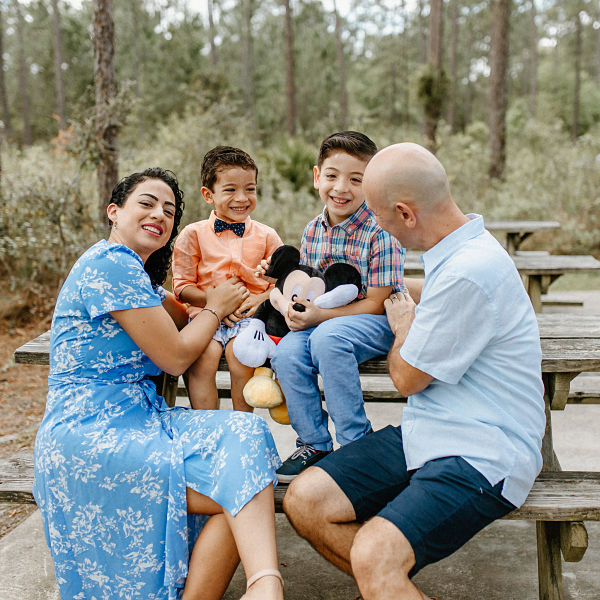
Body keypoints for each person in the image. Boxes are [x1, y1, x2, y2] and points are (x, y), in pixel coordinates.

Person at [282, 142, 546, 599]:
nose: (380, 228)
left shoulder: (469, 271)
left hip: (483, 448)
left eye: (381, 219)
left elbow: (405, 378)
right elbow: (423, 291)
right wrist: (387, 293)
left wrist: (403, 327)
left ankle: (385, 578)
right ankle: (390, 586)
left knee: (374, 555)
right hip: (427, 431)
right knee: (305, 502)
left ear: (405, 213)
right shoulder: (459, 247)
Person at [33, 168, 284, 600]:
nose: (159, 215)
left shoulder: (132, 273)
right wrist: (217, 305)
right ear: (114, 211)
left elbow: (180, 320)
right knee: (241, 478)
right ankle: (264, 584)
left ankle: (265, 585)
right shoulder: (109, 264)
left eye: (169, 211)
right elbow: (175, 355)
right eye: (146, 203)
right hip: (92, 430)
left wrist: (183, 297)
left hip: (139, 420)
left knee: (246, 451)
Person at [269, 131, 407, 482]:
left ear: (372, 184)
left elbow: (378, 302)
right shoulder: (313, 229)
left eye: (356, 179)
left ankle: (356, 444)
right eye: (331, 176)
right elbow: (309, 285)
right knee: (286, 353)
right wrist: (293, 308)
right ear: (317, 177)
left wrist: (321, 317)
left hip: (379, 319)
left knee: (328, 338)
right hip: (323, 322)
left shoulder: (382, 230)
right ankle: (314, 444)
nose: (341, 187)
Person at [172, 146, 283, 411]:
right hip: (204, 315)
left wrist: (258, 299)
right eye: (230, 189)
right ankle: (209, 429)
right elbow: (182, 287)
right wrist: (215, 301)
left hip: (248, 319)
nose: (242, 198)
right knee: (203, 359)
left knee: (241, 356)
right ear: (208, 195)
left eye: (250, 189)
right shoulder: (193, 234)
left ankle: (241, 429)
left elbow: (286, 283)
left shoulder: (267, 236)